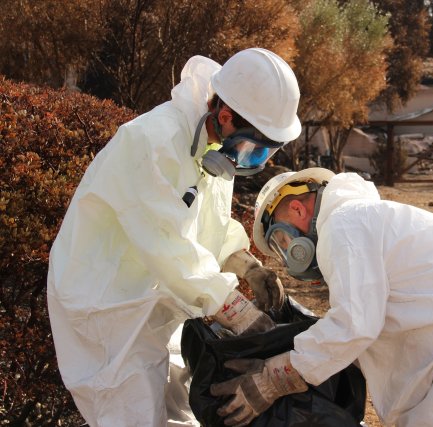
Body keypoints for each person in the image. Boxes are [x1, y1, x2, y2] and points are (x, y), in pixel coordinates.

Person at [47, 48, 301, 426]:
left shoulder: (212, 147)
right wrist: (235, 309)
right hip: (107, 307)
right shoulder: (152, 141)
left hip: (159, 301)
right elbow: (167, 244)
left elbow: (208, 229)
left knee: (182, 413)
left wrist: (246, 266)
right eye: (256, 148)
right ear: (226, 116)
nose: (256, 162)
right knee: (132, 416)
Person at [210, 168, 433, 427]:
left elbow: (355, 325)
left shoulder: (342, 227)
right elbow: (361, 330)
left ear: (298, 210)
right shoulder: (360, 221)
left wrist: (276, 377)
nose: (289, 256)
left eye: (282, 242)